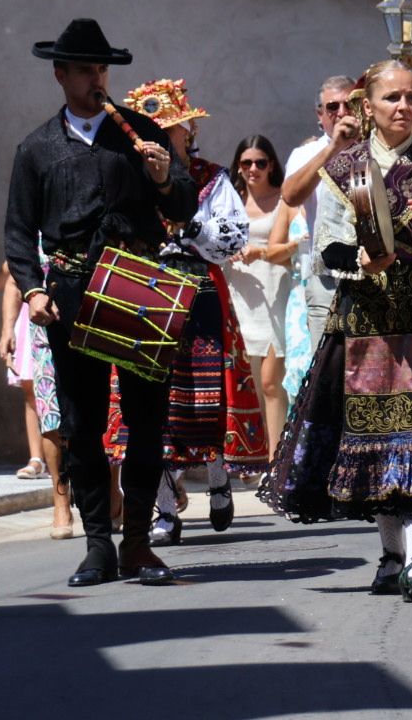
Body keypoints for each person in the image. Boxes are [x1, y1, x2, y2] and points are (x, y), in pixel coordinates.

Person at [260, 60, 412, 603]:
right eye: (392, 98)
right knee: (374, 440)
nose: (403, 107)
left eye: (411, 97)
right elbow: (326, 247)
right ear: (369, 106)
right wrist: (360, 260)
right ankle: (391, 555)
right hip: (365, 321)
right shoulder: (345, 168)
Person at [3, 19, 197, 588]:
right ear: (60, 74)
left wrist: (164, 180)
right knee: (82, 424)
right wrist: (33, 290)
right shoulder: (37, 148)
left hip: (137, 288)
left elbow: (183, 207)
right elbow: (18, 232)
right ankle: (97, 545)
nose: (96, 79)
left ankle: (138, 542)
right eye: (85, 69)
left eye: (102, 69)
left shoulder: (140, 133)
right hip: (69, 293)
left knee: (145, 418)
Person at [105, 78, 263, 545]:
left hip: (197, 294)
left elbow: (232, 237)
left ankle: (217, 478)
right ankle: (165, 511)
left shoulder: (209, 176)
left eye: (168, 129)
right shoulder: (125, 175)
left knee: (205, 394)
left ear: (187, 132)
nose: (157, 137)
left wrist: (187, 224)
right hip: (145, 296)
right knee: (147, 404)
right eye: (148, 129)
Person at [223, 134, 296, 464]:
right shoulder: (228, 200)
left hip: (275, 294)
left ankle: (276, 459)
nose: (253, 169)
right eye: (246, 163)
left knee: (270, 383)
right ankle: (252, 454)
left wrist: (263, 253)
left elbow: (298, 244)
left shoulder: (285, 200)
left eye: (261, 163)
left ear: (272, 165)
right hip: (238, 297)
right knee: (247, 383)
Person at [282, 75, 359, 345]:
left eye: (349, 105)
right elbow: (291, 196)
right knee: (327, 373)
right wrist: (335, 147)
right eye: (332, 107)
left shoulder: (377, 147)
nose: (342, 113)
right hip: (328, 279)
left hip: (375, 275)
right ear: (320, 115)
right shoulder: (306, 154)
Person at [0, 266, 75, 539]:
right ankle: (61, 502)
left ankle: (111, 492)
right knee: (50, 416)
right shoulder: (31, 234)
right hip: (43, 333)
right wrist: (8, 329)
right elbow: (13, 281)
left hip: (89, 325)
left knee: (98, 414)